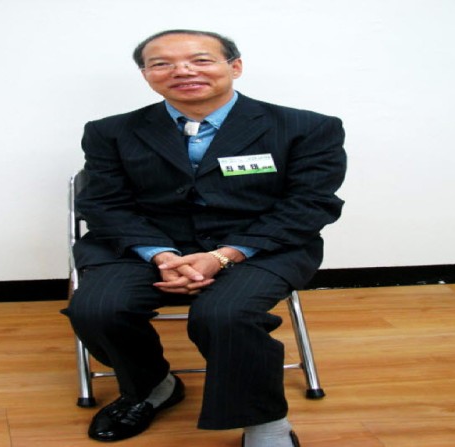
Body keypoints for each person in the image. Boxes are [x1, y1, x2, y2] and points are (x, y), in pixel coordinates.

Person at [64, 29, 347, 446]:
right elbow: (104, 204)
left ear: (235, 66)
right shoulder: (110, 132)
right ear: (146, 75)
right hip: (145, 244)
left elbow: (310, 204)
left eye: (200, 60)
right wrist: (161, 255)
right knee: (98, 309)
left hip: (259, 245)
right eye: (161, 63)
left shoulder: (306, 128)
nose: (182, 71)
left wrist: (224, 255)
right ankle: (152, 387)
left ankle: (266, 423)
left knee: (225, 315)